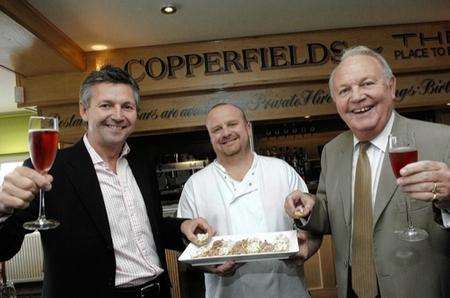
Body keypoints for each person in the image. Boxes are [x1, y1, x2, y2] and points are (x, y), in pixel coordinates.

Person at [0, 65, 213, 298]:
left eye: (127, 107)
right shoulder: (49, 166)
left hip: (156, 291)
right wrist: (2, 210)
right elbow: (3, 247)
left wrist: (181, 226)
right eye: (106, 105)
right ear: (84, 110)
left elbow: (146, 228)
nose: (118, 115)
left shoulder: (140, 163)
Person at [285, 46, 450, 298]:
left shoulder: (442, 140)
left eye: (367, 84)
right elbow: (330, 216)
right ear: (336, 102)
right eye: (344, 91)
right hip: (351, 289)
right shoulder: (332, 151)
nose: (357, 97)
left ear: (391, 86)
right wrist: (310, 208)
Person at [177, 103, 321, 298]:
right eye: (217, 129)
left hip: (287, 290)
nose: (225, 133)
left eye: (232, 124)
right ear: (210, 136)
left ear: (248, 127)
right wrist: (209, 267)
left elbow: (313, 227)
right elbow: (186, 248)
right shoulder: (195, 185)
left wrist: (308, 248)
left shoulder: (281, 170)